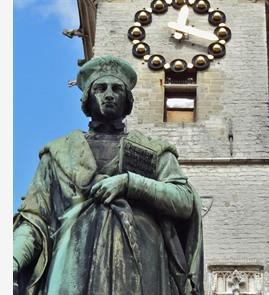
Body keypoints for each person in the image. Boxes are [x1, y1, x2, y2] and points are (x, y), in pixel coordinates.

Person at [13, 56, 203, 295]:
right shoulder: (58, 153)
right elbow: (34, 219)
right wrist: (12, 259)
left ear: (127, 100)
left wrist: (131, 183)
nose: (109, 94)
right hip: (73, 263)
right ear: (88, 98)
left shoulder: (153, 150)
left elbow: (184, 200)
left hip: (143, 265)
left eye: (117, 88)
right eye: (100, 88)